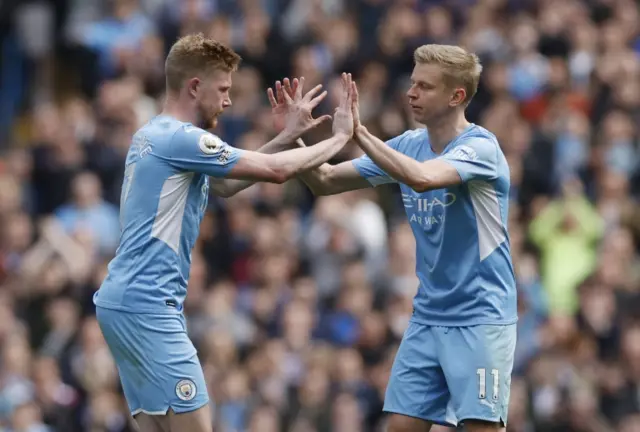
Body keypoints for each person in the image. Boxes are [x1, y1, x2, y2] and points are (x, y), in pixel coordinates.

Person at [93, 33, 355, 432]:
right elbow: (277, 171)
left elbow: (227, 184)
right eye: (223, 89)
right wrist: (339, 138)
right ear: (195, 87)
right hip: (148, 305)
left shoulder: (152, 134)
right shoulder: (182, 138)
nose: (229, 100)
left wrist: (286, 136)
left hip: (124, 302)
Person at [294, 45, 518, 432]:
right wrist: (291, 137)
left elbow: (422, 177)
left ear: (456, 96)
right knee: (399, 426)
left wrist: (360, 134)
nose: (411, 93)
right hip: (428, 315)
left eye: (425, 87)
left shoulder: (481, 149)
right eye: (412, 83)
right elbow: (325, 180)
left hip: (480, 317)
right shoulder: (407, 145)